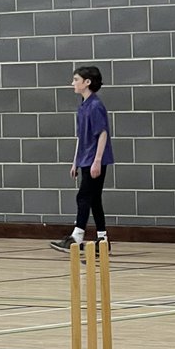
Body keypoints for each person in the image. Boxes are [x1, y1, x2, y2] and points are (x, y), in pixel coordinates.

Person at [49, 66, 114, 254]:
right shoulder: (83, 106)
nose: (72, 83)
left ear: (87, 82)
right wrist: (75, 161)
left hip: (94, 160)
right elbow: (80, 136)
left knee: (83, 197)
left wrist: (97, 160)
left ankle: (76, 238)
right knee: (94, 200)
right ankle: (103, 240)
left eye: (76, 79)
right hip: (85, 159)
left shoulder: (95, 106)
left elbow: (102, 133)